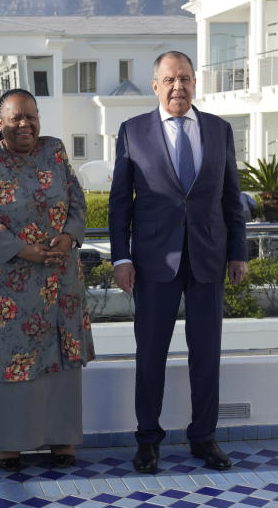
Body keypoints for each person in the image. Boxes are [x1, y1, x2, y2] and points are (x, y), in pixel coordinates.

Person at [108, 51, 248, 474]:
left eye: (185, 78)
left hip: (208, 259)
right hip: (153, 264)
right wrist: (121, 257)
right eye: (169, 80)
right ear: (155, 85)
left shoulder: (219, 130)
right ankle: (148, 440)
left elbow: (231, 197)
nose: (178, 87)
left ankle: (203, 437)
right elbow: (120, 204)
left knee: (206, 355)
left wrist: (238, 251)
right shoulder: (133, 132)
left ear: (195, 82)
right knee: (150, 354)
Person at [0, 89, 94, 472]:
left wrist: (69, 238)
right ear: (0, 123)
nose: (25, 124)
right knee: (8, 360)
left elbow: (77, 201)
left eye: (31, 116)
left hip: (59, 280)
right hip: (6, 285)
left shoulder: (55, 151)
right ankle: (9, 444)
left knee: (57, 358)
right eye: (16, 118)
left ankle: (61, 438)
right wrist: (25, 250)